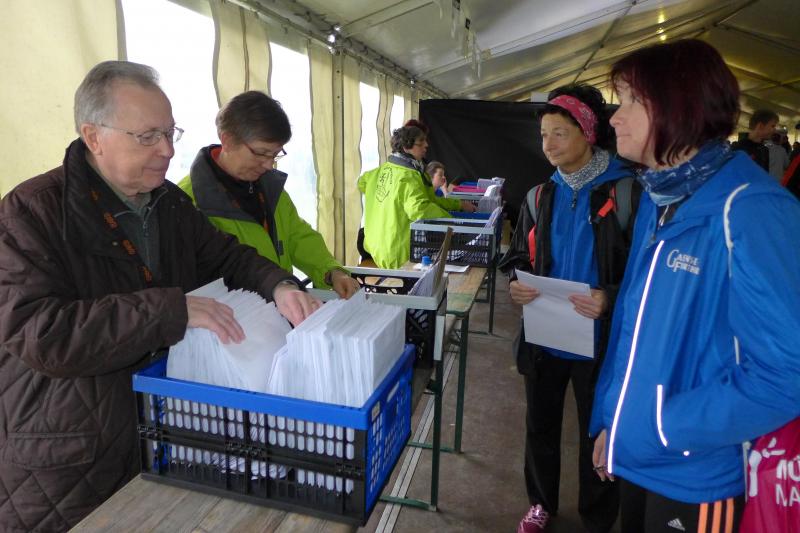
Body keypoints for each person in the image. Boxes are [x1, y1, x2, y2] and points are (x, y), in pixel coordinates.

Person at [0, 61, 321, 531]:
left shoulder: (169, 203)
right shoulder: (30, 213)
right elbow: (41, 334)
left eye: (170, 133)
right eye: (147, 136)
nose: (168, 150)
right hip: (67, 456)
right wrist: (170, 311)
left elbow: (227, 256)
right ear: (93, 136)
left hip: (159, 432)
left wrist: (279, 284)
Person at [590, 39, 800, 533]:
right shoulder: (659, 197)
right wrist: (613, 420)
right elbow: (634, 328)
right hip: (637, 452)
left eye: (631, 101)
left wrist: (663, 426)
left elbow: (787, 373)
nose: (615, 118)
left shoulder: (750, 209)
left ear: (678, 105)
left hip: (697, 473)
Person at [499, 84, 638, 533]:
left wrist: (608, 297)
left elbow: (646, 270)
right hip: (546, 335)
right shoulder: (540, 196)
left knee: (596, 432)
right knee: (539, 425)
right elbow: (518, 258)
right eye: (544, 135)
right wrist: (517, 283)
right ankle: (541, 502)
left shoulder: (627, 193)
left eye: (560, 133)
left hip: (602, 340)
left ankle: (597, 518)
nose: (549, 144)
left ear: (588, 133)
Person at [178, 91, 359, 299]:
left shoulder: (270, 186)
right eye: (261, 153)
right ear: (227, 140)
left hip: (282, 303)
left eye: (275, 155)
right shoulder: (188, 201)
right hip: (236, 313)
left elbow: (297, 235)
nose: (268, 165)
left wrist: (330, 271)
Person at [358, 125, 454, 269]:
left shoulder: (376, 173)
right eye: (421, 142)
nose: (426, 145)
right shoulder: (409, 175)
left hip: (374, 246)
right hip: (396, 252)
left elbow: (361, 183)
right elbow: (419, 208)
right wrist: (450, 221)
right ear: (406, 147)